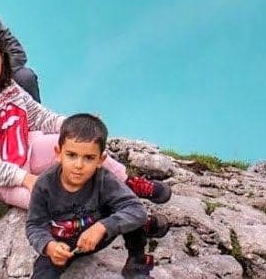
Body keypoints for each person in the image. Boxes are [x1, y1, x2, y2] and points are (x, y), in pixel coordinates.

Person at [0, 27, 171, 211]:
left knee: (83, 144)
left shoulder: (8, 86)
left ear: (2, 60)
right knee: (51, 201)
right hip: (4, 179)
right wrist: (25, 179)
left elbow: (37, 115)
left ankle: (128, 182)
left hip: (29, 149)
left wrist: (74, 125)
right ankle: (121, 211)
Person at [26, 113, 169, 279]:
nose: (78, 165)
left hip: (100, 235)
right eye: (71, 155)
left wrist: (102, 227)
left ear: (101, 160)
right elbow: (35, 225)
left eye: (89, 158)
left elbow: (136, 209)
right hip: (63, 245)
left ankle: (137, 262)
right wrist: (49, 246)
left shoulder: (104, 180)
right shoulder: (44, 185)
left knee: (127, 211)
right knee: (42, 273)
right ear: (58, 153)